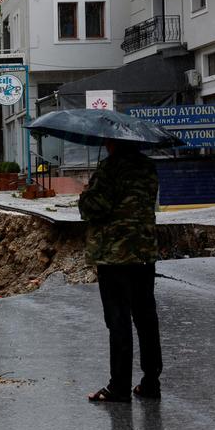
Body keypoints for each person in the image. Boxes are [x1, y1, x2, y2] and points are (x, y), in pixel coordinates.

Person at [78, 139, 162, 403]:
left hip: (115, 255)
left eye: (107, 141)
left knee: (119, 321)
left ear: (114, 142)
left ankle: (119, 387)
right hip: (144, 253)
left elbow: (95, 207)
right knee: (146, 318)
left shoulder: (109, 168)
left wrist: (85, 194)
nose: (104, 144)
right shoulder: (148, 167)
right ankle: (151, 382)